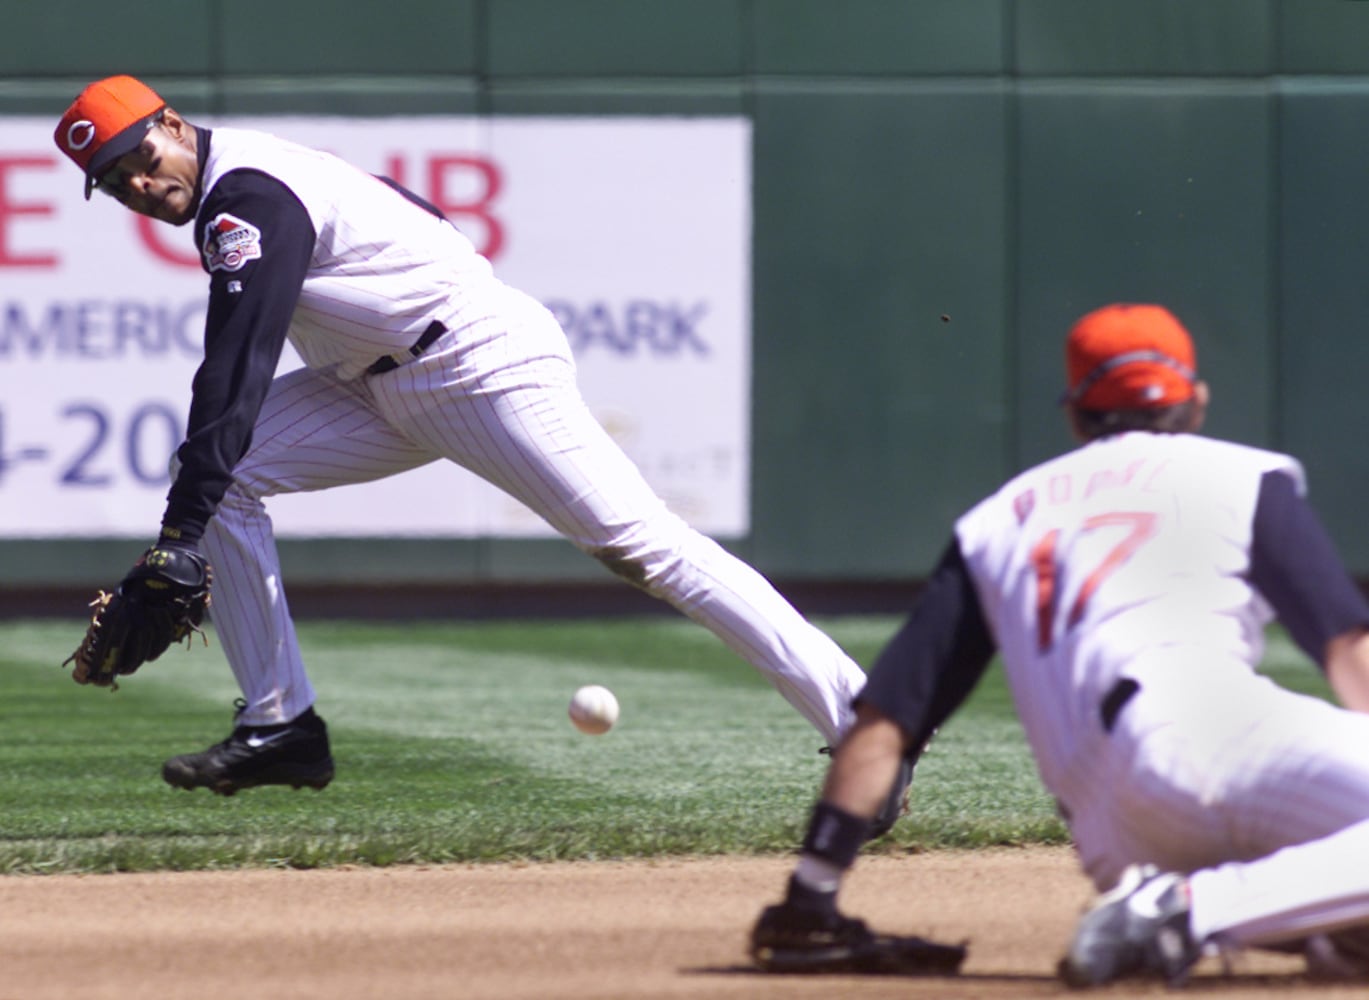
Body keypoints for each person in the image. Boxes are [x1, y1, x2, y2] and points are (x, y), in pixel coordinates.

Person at [53, 75, 895, 814]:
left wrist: (174, 539)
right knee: (223, 478)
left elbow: (234, 369)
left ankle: (866, 726)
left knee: (641, 545)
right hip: (375, 381)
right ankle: (280, 727)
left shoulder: (247, 199)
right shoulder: (258, 173)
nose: (136, 180)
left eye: (137, 154)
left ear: (167, 122)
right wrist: (186, 528)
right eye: (113, 179)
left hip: (476, 363)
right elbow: (406, 208)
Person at [748, 302, 1369, 986]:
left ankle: (1309, 932)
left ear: (1075, 413)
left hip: (1109, 838)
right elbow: (1350, 655)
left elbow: (888, 719)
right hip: (1209, 734)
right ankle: (1183, 912)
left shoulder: (998, 519)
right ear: (1194, 401)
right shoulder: (1239, 477)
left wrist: (811, 892)